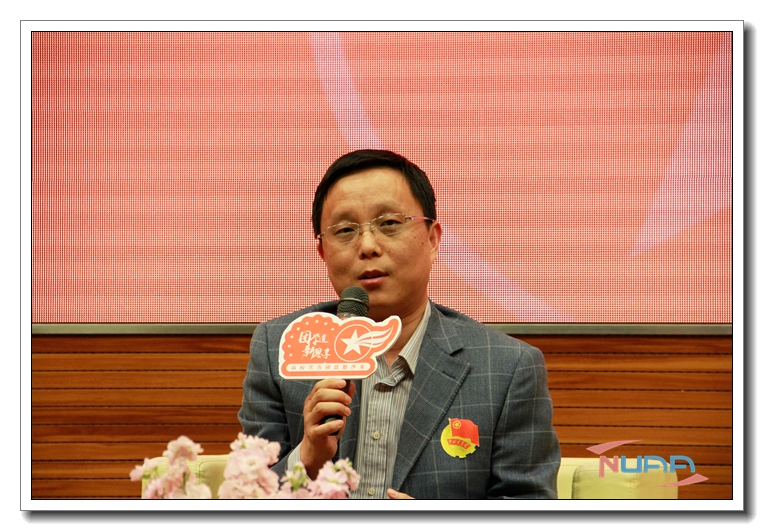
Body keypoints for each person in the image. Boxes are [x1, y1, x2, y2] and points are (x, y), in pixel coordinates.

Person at [238, 149, 560, 499]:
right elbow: (245, 496)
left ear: (433, 239)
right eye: (345, 230)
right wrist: (306, 459)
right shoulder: (280, 348)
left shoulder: (508, 369)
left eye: (389, 223)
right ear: (323, 253)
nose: (367, 246)